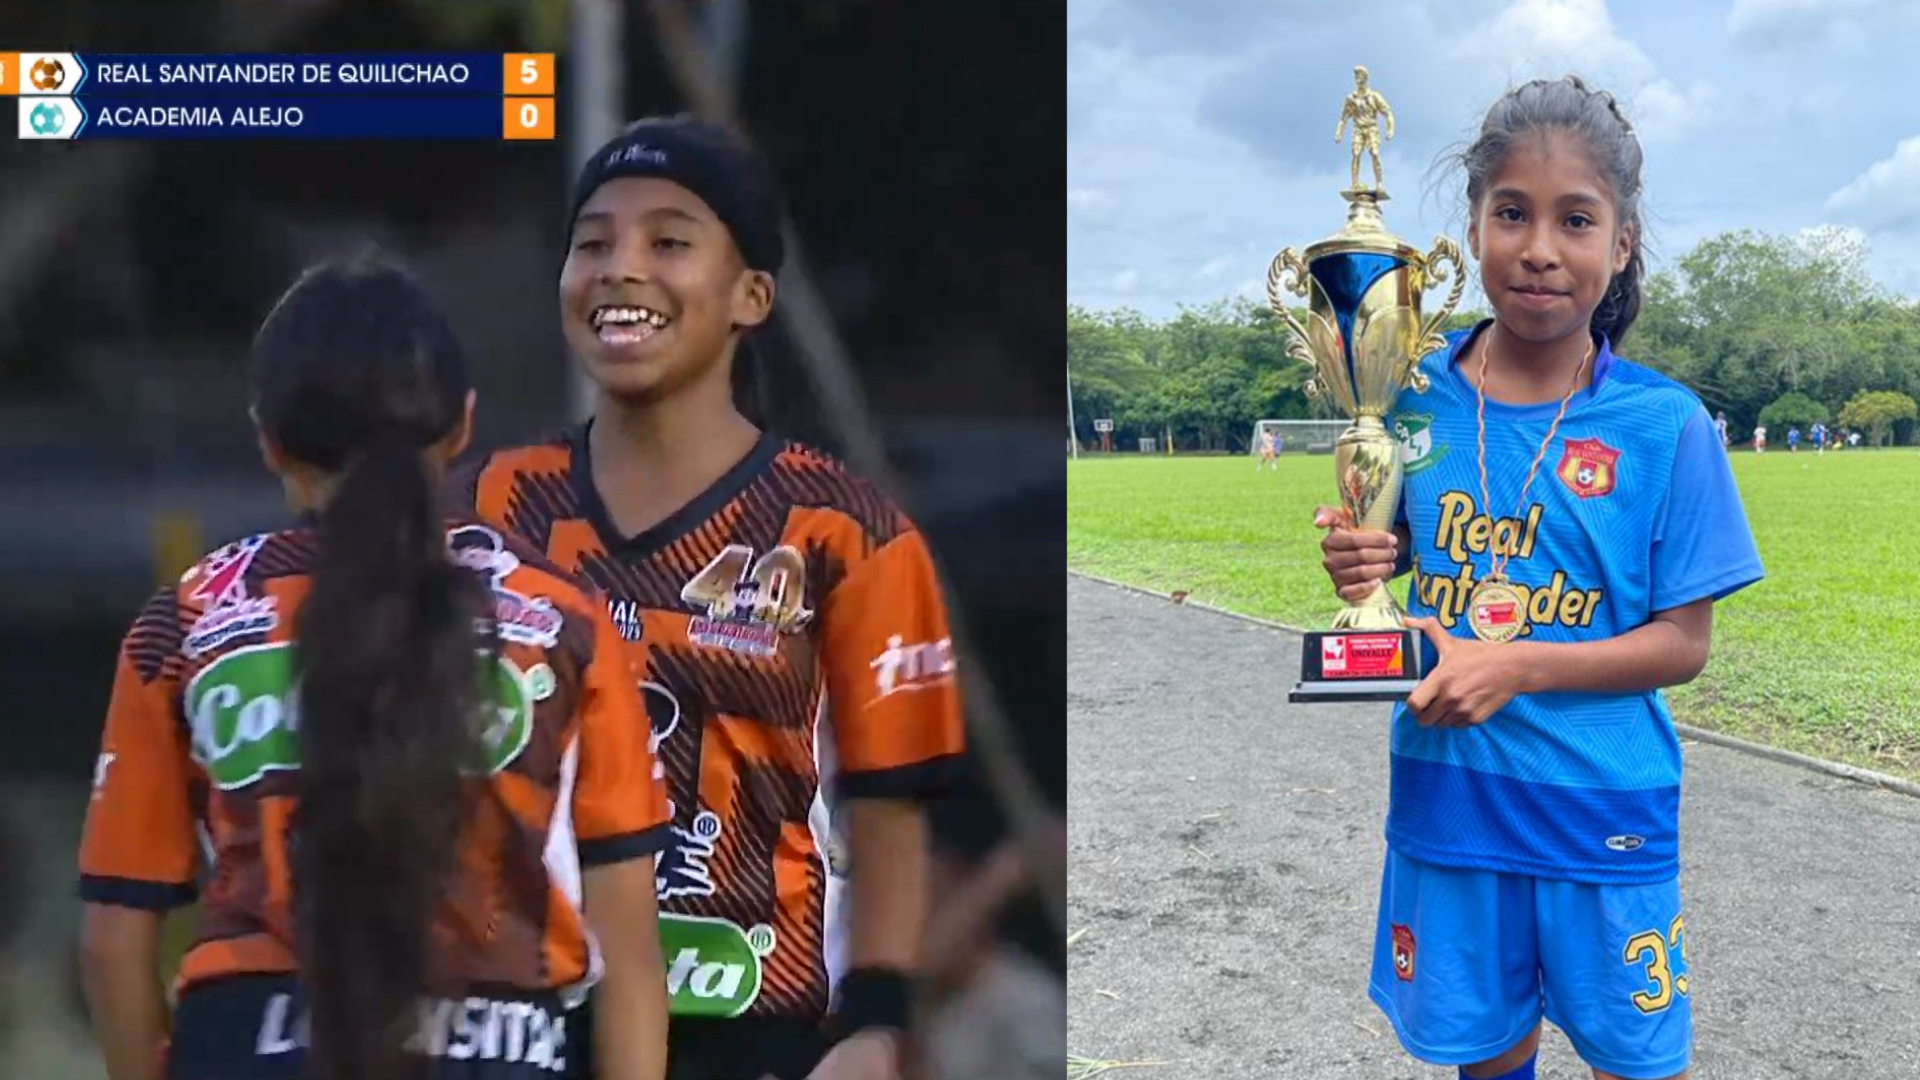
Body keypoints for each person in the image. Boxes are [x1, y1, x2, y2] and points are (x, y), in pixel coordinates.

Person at [448, 116, 967, 1080]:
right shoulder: (483, 507)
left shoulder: (847, 533)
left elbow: (890, 809)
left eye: (668, 241)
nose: (619, 267)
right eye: (592, 242)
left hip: (755, 1026)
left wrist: (879, 1027)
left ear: (751, 295)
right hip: (510, 1026)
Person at [77, 254, 674, 1080]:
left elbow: (115, 936)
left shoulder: (182, 620)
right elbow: (631, 955)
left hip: (249, 1046)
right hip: (505, 1051)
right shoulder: (568, 622)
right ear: (462, 426)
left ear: (269, 441)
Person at [1313, 77, 1762, 1080]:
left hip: (1602, 809)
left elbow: (1683, 646)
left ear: (1622, 241)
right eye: (1512, 212)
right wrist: (1359, 567)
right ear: (1473, 226)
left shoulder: (1666, 426)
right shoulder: (1402, 402)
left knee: (1634, 1063)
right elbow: (1393, 587)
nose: (1540, 248)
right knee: (1486, 1060)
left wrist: (1513, 666)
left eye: (1576, 219)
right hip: (1451, 799)